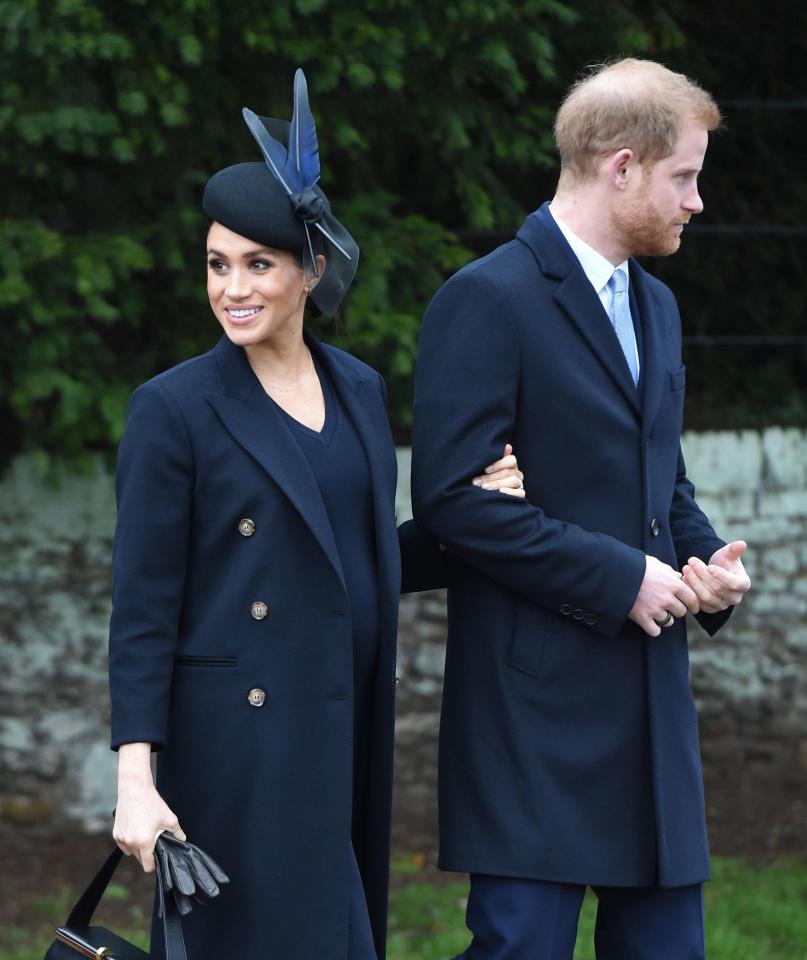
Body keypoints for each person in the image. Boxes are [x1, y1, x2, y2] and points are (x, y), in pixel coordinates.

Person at [109, 70, 525, 960]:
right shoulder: (173, 408)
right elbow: (142, 608)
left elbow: (353, 561)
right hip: (234, 751)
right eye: (218, 264)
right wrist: (134, 781)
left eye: (258, 264)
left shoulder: (359, 389)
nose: (233, 288)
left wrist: (467, 523)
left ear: (312, 270)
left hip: (341, 728)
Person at [411, 58, 751, 960]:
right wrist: (621, 579)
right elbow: (450, 501)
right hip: (533, 720)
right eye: (684, 176)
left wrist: (705, 562)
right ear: (621, 166)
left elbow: (659, 484)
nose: (695, 202)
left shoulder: (660, 307)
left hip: (650, 717)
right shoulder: (485, 299)